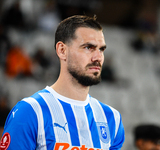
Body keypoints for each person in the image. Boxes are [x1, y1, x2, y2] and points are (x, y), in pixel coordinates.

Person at [0, 15, 125, 150]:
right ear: (62, 50)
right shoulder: (30, 111)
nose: (98, 57)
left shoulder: (112, 119)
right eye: (88, 47)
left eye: (101, 49)